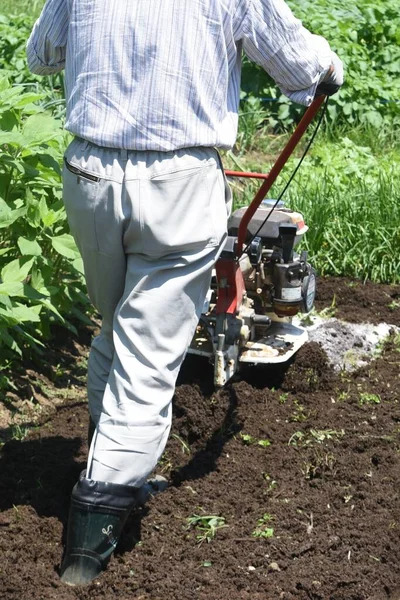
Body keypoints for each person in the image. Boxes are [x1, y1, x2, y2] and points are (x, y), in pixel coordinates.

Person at [27, 0, 343, 586]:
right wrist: (330, 68)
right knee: (148, 360)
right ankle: (87, 547)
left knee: (118, 326)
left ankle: (107, 447)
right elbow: (302, 64)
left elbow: (42, 55)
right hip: (178, 183)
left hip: (90, 176)